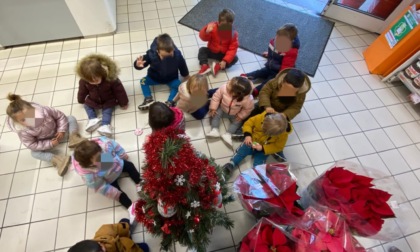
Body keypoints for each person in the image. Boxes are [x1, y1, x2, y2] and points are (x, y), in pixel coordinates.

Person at [6, 93, 86, 176]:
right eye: (23, 120)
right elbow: (32, 145)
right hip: (46, 141)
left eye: (30, 114)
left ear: (33, 109)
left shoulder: (45, 111)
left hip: (58, 131)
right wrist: (50, 143)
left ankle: (74, 137)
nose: (30, 119)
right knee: (34, 153)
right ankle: (59, 160)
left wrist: (61, 130)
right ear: (18, 122)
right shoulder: (23, 132)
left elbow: (60, 116)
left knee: (70, 118)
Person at [72, 137, 142, 209]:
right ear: (89, 164)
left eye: (101, 154)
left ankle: (140, 183)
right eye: (98, 158)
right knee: (118, 194)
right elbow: (101, 187)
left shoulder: (105, 145)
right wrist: (115, 193)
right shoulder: (89, 174)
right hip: (109, 179)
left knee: (130, 166)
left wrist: (122, 155)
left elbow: (116, 146)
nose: (102, 157)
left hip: (118, 165)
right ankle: (131, 208)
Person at [222, 112, 292, 177]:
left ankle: (257, 174)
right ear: (264, 120)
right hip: (251, 140)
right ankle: (231, 164)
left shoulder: (283, 135)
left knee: (260, 162)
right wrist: (248, 135)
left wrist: (263, 148)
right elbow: (248, 123)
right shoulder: (260, 117)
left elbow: (278, 147)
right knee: (241, 151)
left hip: (264, 148)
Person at [76, 53, 129, 137]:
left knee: (107, 111)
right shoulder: (84, 81)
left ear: (101, 73)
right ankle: (92, 119)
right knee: (87, 105)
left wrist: (123, 103)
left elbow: (119, 91)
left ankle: (105, 125)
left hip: (108, 100)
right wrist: (81, 99)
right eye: (91, 81)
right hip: (93, 100)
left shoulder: (110, 79)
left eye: (96, 80)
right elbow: (82, 91)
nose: (94, 82)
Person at [134, 33, 189, 109]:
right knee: (143, 81)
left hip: (171, 79)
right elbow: (142, 63)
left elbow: (182, 65)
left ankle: (170, 102)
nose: (167, 59)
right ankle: (148, 99)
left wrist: (186, 75)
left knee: (179, 85)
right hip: (154, 77)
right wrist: (137, 65)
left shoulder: (177, 55)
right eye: (164, 56)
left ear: (173, 49)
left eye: (169, 56)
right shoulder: (151, 55)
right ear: (157, 52)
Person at [242, 23, 300, 96]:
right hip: (270, 66)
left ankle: (256, 90)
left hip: (277, 72)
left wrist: (280, 77)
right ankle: (245, 77)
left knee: (268, 82)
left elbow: (286, 67)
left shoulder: (291, 52)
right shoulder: (274, 41)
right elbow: (273, 50)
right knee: (260, 72)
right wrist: (269, 54)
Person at [206, 76, 254, 147]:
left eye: (230, 85)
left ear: (236, 93)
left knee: (238, 122)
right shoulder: (224, 88)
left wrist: (241, 116)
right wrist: (213, 108)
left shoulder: (247, 99)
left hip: (235, 113)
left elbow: (248, 109)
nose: (227, 83)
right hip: (222, 108)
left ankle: (228, 134)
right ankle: (215, 130)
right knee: (214, 115)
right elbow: (216, 97)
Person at [198, 8, 239, 76]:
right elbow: (203, 38)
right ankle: (205, 66)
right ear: (218, 22)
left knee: (235, 58)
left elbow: (233, 48)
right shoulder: (212, 27)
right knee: (202, 50)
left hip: (223, 55)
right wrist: (206, 32)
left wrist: (225, 60)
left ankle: (218, 67)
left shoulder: (233, 33)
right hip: (212, 51)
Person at [68, 218, 149, 252]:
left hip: (122, 241)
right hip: (128, 249)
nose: (103, 247)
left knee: (123, 223)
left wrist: (125, 227)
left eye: (100, 247)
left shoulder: (104, 232)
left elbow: (115, 228)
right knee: (143, 248)